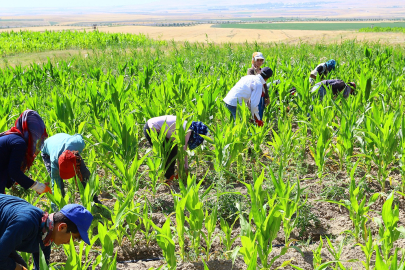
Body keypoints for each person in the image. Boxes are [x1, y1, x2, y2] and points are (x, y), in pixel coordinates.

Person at [0, 193, 93, 270]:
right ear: (62, 227)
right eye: (73, 237)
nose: (70, 243)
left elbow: (42, 267)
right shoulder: (26, 223)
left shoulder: (46, 237)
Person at [41, 133, 101, 211]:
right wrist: (55, 207)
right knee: (58, 185)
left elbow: (78, 135)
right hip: (48, 151)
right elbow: (55, 185)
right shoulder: (54, 161)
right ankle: (59, 208)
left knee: (84, 174)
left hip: (67, 146)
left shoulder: (78, 144)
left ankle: (94, 201)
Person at [143, 115, 208, 184]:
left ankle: (170, 176)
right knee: (168, 153)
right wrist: (184, 170)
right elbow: (182, 154)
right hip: (152, 128)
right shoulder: (187, 131)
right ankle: (168, 178)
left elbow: (183, 152)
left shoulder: (187, 126)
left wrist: (185, 169)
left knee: (173, 151)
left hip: (155, 126)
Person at [0, 109, 51, 195]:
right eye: (33, 132)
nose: (36, 137)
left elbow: (8, 166)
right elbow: (14, 172)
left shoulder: (13, 137)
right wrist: (39, 187)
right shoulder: (19, 143)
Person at [247, 52, 270, 119]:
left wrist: (267, 98)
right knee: (254, 117)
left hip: (261, 97)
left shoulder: (262, 71)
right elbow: (253, 83)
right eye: (258, 60)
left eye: (261, 60)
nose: (259, 62)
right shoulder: (250, 71)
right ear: (254, 60)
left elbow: (264, 86)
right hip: (254, 98)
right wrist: (257, 73)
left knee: (260, 116)